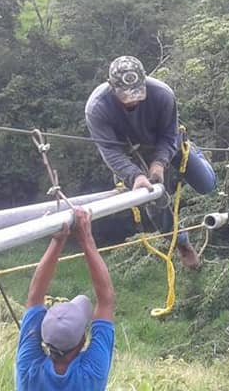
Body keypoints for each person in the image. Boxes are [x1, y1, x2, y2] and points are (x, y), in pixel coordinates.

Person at [85, 55, 217, 269]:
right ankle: (182, 244)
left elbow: (168, 134)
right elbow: (109, 150)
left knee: (206, 184)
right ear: (111, 86)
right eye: (125, 96)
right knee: (153, 201)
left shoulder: (162, 95)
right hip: (132, 156)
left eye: (137, 94)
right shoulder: (98, 107)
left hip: (167, 143)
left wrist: (160, 163)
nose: (133, 101)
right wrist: (135, 175)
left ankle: (195, 151)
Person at [15, 207, 115, 391]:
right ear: (83, 340)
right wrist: (85, 238)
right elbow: (106, 299)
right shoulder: (91, 372)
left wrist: (58, 240)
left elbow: (35, 296)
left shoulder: (29, 368)